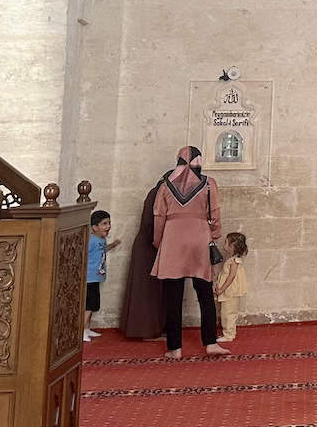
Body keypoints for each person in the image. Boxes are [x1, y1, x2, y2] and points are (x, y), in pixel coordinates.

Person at [151, 145, 228, 358]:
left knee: (172, 297)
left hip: (172, 241)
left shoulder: (165, 186)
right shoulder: (209, 184)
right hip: (199, 239)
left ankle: (175, 348)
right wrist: (212, 234)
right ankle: (210, 343)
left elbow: (159, 217)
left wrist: (159, 242)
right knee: (205, 294)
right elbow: (215, 215)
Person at [119, 182, 165, 340]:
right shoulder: (158, 194)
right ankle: (145, 330)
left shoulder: (156, 192)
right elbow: (152, 223)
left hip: (150, 247)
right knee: (146, 290)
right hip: (149, 247)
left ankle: (150, 328)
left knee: (150, 289)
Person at [83, 210, 118, 341]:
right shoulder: (91, 240)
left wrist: (113, 245)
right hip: (89, 277)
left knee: (94, 304)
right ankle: (82, 330)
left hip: (97, 276)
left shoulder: (101, 239)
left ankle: (87, 328)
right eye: (104, 224)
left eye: (109, 223)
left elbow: (102, 250)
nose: (108, 226)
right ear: (95, 227)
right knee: (89, 304)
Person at [214, 232, 249, 343]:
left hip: (230, 291)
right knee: (225, 312)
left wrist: (221, 289)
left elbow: (231, 276)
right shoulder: (231, 259)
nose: (223, 245)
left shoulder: (234, 261)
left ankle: (229, 335)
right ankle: (228, 332)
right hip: (228, 291)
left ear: (232, 246)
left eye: (225, 242)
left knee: (229, 313)